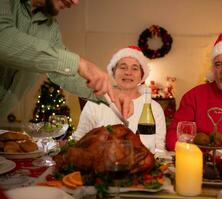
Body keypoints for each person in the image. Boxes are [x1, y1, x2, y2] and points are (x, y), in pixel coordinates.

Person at [0, 0, 132, 119]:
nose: (75, 2)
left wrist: (112, 93)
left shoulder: (50, 28)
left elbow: (64, 73)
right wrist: (80, 63)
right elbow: (3, 38)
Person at [73, 46, 167, 152]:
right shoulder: (96, 102)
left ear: (142, 76)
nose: (128, 72)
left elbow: (159, 148)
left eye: (135, 68)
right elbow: (79, 139)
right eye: (123, 67)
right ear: (113, 72)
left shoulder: (154, 108)